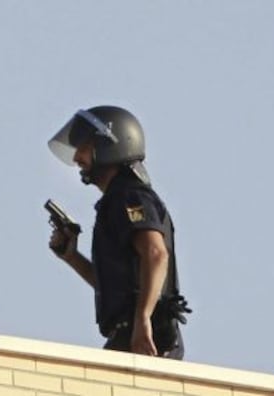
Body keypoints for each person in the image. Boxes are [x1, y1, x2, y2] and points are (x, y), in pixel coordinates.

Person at [47, 105, 191, 359]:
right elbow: (116, 286)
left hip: (145, 335)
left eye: (82, 146)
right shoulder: (117, 200)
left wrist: (143, 319)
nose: (76, 158)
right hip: (131, 332)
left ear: (107, 145)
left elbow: (156, 254)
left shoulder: (128, 195)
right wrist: (72, 257)